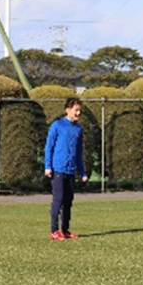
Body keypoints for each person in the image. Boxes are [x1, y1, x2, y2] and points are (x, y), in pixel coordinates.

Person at [43, 98, 88, 240]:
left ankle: (65, 229)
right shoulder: (57, 126)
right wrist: (48, 166)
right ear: (68, 110)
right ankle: (54, 230)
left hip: (70, 170)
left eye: (80, 110)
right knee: (58, 199)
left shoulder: (78, 129)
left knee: (68, 201)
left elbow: (79, 152)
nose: (78, 113)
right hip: (58, 169)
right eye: (76, 110)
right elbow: (49, 147)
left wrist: (82, 172)